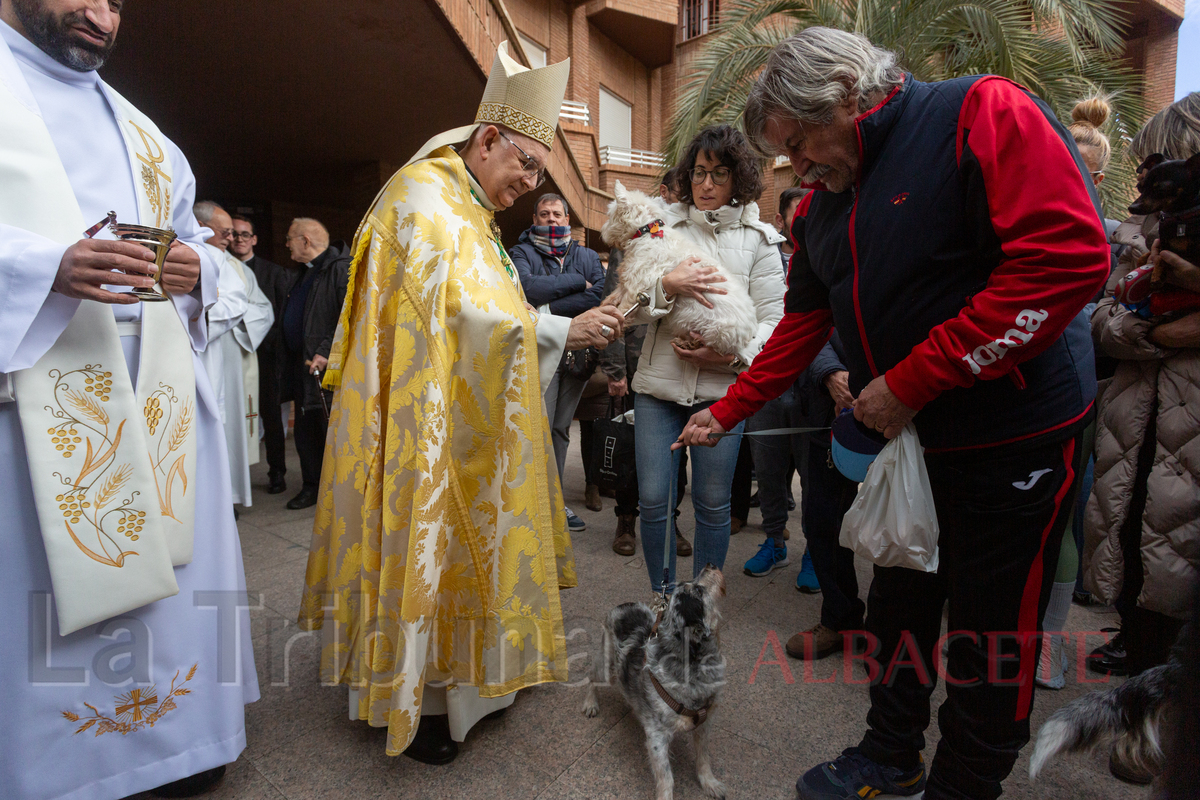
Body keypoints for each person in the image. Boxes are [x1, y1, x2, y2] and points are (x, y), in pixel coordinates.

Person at [676, 28, 1109, 800]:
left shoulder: (981, 110)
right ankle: (891, 752)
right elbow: (803, 323)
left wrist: (913, 379)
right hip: (910, 444)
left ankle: (965, 783)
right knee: (900, 606)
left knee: (989, 630)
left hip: (1015, 435)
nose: (799, 166)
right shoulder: (819, 206)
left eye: (803, 141)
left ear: (848, 91)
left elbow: (1066, 259)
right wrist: (731, 409)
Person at [297, 41, 624, 766]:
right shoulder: (424, 200)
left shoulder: (464, 204)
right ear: (486, 139)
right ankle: (431, 699)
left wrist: (558, 327)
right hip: (425, 427)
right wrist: (564, 328)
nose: (526, 186)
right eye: (527, 167)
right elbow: (458, 316)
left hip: (468, 414)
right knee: (434, 549)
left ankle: (483, 682)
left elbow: (483, 303)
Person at [0, 2, 259, 797]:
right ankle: (59, 767)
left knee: (173, 592)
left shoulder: (148, 137)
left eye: (115, 1)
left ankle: (181, 742)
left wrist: (197, 272)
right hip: (36, 384)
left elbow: (196, 249)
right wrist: (42, 270)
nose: (99, 14)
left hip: (157, 398)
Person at [627, 123, 785, 598]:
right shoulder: (661, 228)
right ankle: (661, 600)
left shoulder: (760, 241)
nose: (706, 184)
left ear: (738, 178)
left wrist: (731, 354)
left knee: (714, 505)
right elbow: (629, 311)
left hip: (723, 394)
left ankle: (700, 609)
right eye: (698, 173)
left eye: (718, 174)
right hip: (658, 390)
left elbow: (775, 321)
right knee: (654, 501)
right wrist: (665, 287)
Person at [1083, 93, 1200, 723]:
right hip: (1134, 418)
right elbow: (1098, 317)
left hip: (1191, 426)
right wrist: (1153, 335)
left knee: (1181, 547)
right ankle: (1138, 653)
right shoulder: (1130, 232)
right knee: (1132, 536)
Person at [1034, 95, 1115, 691]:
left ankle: (1049, 641)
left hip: (1083, 400)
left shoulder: (1116, 237)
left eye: (1080, 171)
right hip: (1018, 393)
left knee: (1063, 523)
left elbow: (1111, 321)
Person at [510, 193, 604, 531]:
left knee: (562, 428)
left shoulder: (587, 254)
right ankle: (535, 503)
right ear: (535, 219)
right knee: (540, 428)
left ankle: (556, 502)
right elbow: (525, 288)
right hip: (541, 352)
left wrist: (547, 309)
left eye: (558, 214)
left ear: (567, 219)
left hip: (578, 357)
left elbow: (598, 296)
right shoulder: (521, 253)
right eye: (545, 214)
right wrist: (577, 281)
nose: (552, 220)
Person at [195, 202, 273, 512]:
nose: (230, 238)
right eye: (225, 232)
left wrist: (233, 320)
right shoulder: (189, 254)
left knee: (226, 423)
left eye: (234, 232)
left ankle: (225, 496)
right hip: (202, 350)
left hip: (229, 351)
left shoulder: (235, 268)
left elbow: (261, 309)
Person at [279, 216, 349, 510]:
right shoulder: (304, 272)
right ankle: (312, 487)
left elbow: (349, 314)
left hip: (325, 366)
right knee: (306, 430)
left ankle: (340, 492)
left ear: (305, 241)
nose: (286, 246)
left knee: (329, 429)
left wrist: (325, 350)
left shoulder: (340, 269)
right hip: (301, 363)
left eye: (290, 240)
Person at [231, 214, 297, 494]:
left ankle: (277, 472)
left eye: (245, 234)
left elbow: (280, 316)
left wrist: (266, 347)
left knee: (270, 417)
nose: (239, 239)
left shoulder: (274, 273)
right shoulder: (223, 269)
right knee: (236, 416)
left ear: (254, 239)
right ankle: (236, 477)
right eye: (234, 234)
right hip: (234, 356)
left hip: (266, 356)